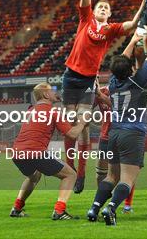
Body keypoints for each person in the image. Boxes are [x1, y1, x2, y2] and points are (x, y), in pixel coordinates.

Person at [62, 0, 145, 194]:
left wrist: (143, 3)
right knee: (71, 125)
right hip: (71, 76)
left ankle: (80, 174)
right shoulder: (85, 19)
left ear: (109, 14)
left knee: (83, 122)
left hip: (88, 79)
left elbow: (131, 25)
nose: (102, 9)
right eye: (100, 6)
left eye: (106, 8)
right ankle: (70, 169)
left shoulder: (110, 29)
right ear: (94, 10)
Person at [87, 19, 147, 226]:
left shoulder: (113, 82)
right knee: (127, 178)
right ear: (129, 69)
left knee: (111, 176)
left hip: (114, 134)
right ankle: (111, 208)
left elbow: (121, 62)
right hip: (132, 133)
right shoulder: (138, 81)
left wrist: (134, 39)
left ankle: (94, 208)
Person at [9, 83, 90, 220]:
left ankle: (16, 208)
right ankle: (59, 211)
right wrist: (82, 122)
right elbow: (72, 134)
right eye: (52, 90)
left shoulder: (30, 110)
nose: (55, 92)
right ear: (46, 94)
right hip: (35, 151)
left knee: (34, 176)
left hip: (17, 153)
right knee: (70, 175)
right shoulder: (52, 111)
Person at [93, 84, 135, 213]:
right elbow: (86, 109)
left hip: (125, 134)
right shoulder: (103, 90)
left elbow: (118, 107)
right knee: (101, 174)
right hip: (106, 136)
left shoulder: (127, 89)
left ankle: (127, 205)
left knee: (128, 173)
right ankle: (100, 201)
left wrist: (100, 95)